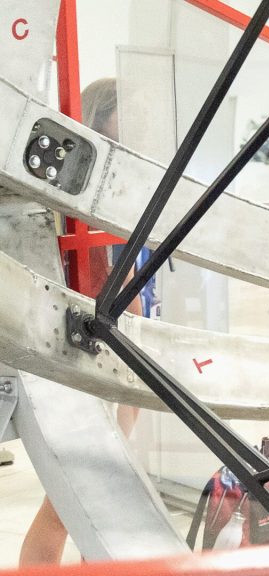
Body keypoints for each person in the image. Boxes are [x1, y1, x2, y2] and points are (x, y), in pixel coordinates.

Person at [20, 78, 146, 568]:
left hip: (110, 340)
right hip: (79, 341)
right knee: (73, 499)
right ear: (101, 116)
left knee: (94, 494)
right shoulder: (74, 176)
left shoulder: (111, 175)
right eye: (125, 119)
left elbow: (122, 264)